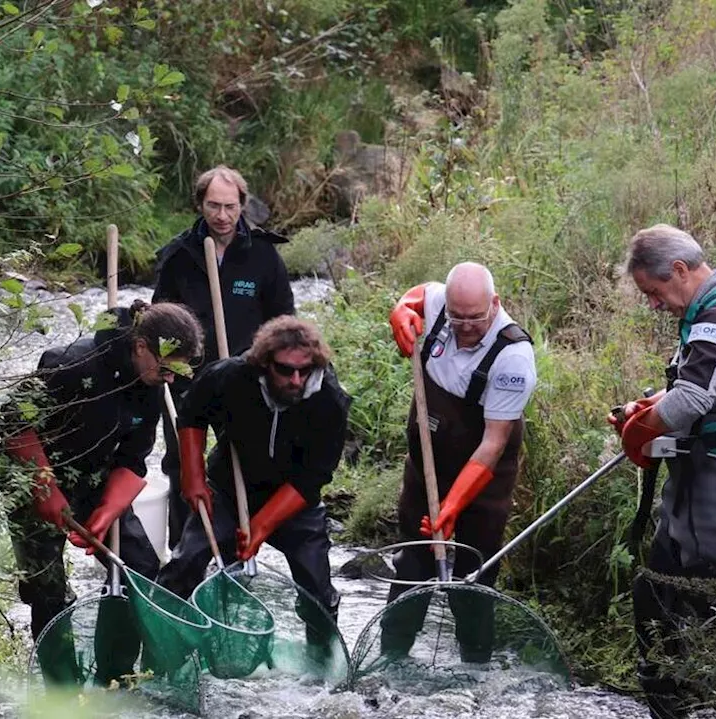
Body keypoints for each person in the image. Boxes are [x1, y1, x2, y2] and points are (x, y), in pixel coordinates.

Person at [0, 300, 204, 687]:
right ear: (141, 346)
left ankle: (116, 676)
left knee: (138, 567)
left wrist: (108, 511)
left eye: (179, 372)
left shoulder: (153, 386)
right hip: (33, 474)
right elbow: (12, 422)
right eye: (167, 368)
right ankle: (64, 690)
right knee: (48, 590)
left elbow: (134, 458)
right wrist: (47, 490)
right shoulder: (70, 364)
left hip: (97, 479)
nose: (172, 379)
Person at [609, 224, 716, 719]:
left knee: (707, 599)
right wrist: (642, 408)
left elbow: (694, 398)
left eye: (655, 293)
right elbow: (692, 387)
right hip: (694, 473)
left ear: (680, 270)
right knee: (655, 592)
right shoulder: (709, 313)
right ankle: (667, 703)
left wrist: (638, 433)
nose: (655, 305)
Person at [156, 316, 350, 655]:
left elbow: (313, 477)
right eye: (285, 370)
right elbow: (192, 414)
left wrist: (261, 525)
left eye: (303, 371)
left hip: (293, 499)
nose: (295, 380)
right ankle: (163, 651)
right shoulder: (232, 376)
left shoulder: (328, 400)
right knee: (186, 562)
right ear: (264, 363)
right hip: (230, 484)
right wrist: (193, 475)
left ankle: (322, 664)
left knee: (317, 587)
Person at [378, 262, 538, 663]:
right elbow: (420, 291)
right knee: (411, 566)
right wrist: (401, 308)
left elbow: (492, 443)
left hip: (484, 484)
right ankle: (389, 659)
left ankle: (475, 668)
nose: (465, 325)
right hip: (425, 471)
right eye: (456, 316)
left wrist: (451, 507)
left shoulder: (513, 357)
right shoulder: (440, 305)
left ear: (495, 303)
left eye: (475, 317)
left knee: (474, 577)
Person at [152, 165, 296, 548]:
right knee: (184, 465)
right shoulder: (179, 256)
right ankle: (186, 550)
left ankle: (240, 545)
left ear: (243, 206)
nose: (222, 216)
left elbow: (284, 320)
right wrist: (165, 363)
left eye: (230, 207)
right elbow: (160, 319)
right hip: (188, 380)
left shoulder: (263, 256)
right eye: (213, 206)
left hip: (244, 381)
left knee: (244, 462)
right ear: (200, 204)